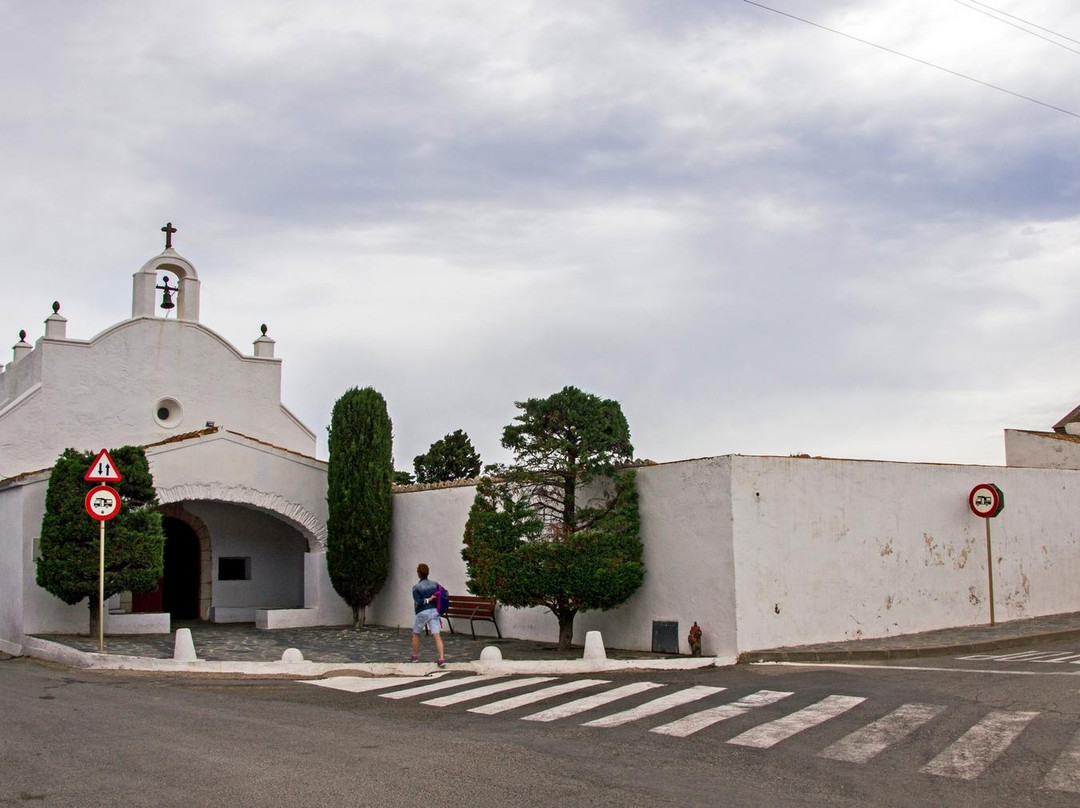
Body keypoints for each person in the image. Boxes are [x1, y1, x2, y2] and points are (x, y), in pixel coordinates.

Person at [411, 563, 445, 667]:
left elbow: (418, 601)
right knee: (436, 634)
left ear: (418, 574)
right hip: (434, 612)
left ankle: (415, 656)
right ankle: (441, 657)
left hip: (422, 612)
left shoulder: (416, 587)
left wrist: (427, 599)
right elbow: (444, 593)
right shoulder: (435, 584)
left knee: (416, 633)